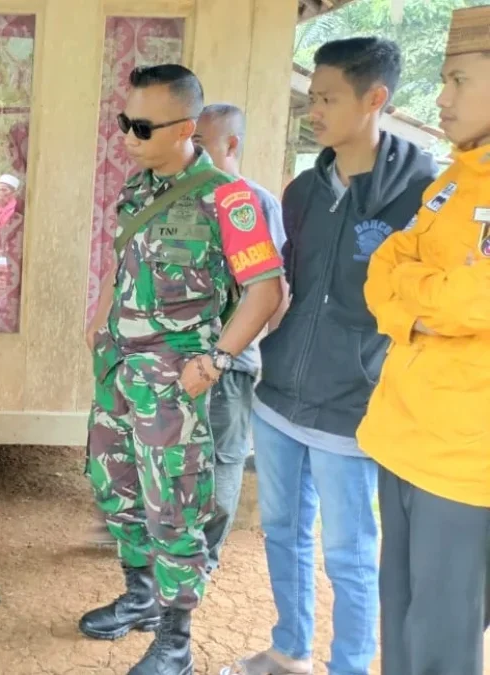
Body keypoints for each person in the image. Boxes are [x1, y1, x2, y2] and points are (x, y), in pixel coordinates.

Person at [222, 38, 438, 675]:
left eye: (327, 97)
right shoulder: (303, 191)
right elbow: (284, 284)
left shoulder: (422, 194)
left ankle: (348, 666)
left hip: (356, 405)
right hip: (281, 392)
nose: (313, 109)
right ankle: (290, 650)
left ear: (375, 99)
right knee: (283, 531)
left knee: (349, 551)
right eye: (311, 96)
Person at [78, 64, 285, 675]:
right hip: (119, 375)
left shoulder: (229, 199)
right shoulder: (139, 189)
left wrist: (217, 361)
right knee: (116, 492)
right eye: (125, 122)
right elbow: (122, 265)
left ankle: (175, 641)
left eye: (141, 126)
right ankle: (141, 597)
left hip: (175, 387)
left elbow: (266, 292)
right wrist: (98, 319)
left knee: (174, 508)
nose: (128, 136)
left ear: (186, 129)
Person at [357, 7, 490, 674]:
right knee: (402, 616)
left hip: (466, 461)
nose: (442, 97)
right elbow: (382, 268)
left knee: (443, 634)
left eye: (458, 79)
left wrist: (420, 295)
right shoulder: (452, 181)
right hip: (401, 433)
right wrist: (428, 299)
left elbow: (480, 297)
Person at [191, 103, 289, 574]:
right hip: (178, 359)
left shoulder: (251, 203)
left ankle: (204, 558)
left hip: (229, 363)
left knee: (223, 458)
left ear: (231, 145)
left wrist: (261, 357)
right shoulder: (186, 198)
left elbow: (272, 291)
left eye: (201, 144)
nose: (192, 154)